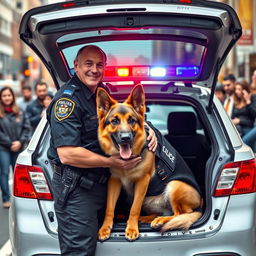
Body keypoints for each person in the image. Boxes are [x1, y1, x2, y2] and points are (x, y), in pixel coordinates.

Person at [46, 45, 157, 256]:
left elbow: (127, 115)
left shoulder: (102, 92)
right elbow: (67, 153)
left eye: (99, 65)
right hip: (77, 188)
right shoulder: (67, 101)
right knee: (79, 251)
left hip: (105, 184)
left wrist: (150, 130)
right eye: (88, 64)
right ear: (75, 66)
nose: (94, 70)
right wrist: (112, 163)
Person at [0, 86, 30, 208]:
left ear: (13, 96)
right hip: (3, 148)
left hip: (19, 146)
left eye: (9, 95)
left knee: (19, 174)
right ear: (1, 98)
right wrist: (9, 143)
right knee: (4, 172)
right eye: (4, 95)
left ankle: (19, 199)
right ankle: (6, 198)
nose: (7, 97)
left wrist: (20, 142)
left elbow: (27, 128)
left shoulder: (21, 111)